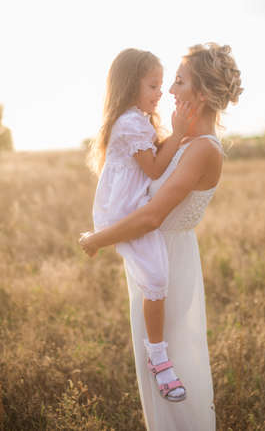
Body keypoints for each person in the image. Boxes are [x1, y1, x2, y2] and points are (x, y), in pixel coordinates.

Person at [80, 42, 243, 430]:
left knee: (176, 366)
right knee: (157, 377)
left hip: (171, 263)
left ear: (200, 95)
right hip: (151, 256)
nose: (169, 90)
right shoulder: (180, 139)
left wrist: (97, 239)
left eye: (178, 81)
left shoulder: (204, 149)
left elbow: (152, 216)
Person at [83, 48, 191, 401]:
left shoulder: (136, 119)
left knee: (155, 277)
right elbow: (155, 169)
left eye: (161, 85)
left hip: (130, 205)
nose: (160, 92)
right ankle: (158, 357)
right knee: (157, 279)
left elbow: (154, 158)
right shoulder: (130, 122)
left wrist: (174, 137)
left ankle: (97, 239)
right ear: (131, 86)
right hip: (124, 212)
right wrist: (178, 134)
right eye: (153, 85)